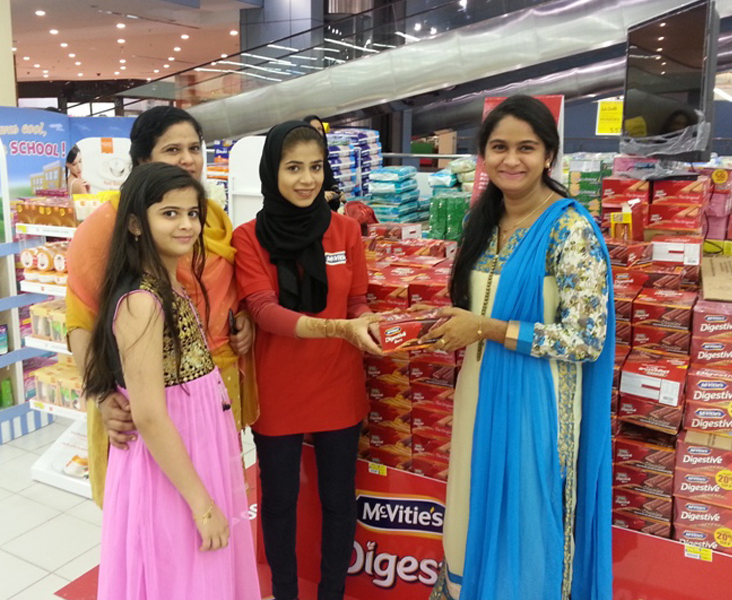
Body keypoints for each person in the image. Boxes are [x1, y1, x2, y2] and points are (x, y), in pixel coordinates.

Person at [422, 95, 614, 599]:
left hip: (537, 405)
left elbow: (586, 339)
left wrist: (486, 328)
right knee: (469, 508)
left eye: (526, 148)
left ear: (548, 154)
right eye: (499, 147)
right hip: (476, 394)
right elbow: (473, 308)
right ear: (483, 155)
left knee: (528, 523)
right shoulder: (482, 222)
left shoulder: (570, 229)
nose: (511, 160)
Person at [83, 162, 260, 600]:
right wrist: (201, 505)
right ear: (135, 225)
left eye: (192, 213)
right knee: (181, 573)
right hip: (168, 465)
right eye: (169, 213)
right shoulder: (142, 301)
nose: (186, 224)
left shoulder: (171, 285)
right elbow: (149, 415)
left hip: (193, 448)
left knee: (200, 570)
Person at [66, 106, 257, 508]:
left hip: (214, 390)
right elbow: (82, 322)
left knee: (218, 499)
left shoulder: (210, 216)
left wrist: (242, 319)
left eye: (194, 148)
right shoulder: (108, 226)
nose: (188, 159)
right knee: (160, 513)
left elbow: (225, 291)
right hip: (147, 402)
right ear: (142, 161)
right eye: (172, 150)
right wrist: (103, 397)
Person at [232, 121, 381, 600]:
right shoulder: (248, 238)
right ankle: (284, 593)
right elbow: (263, 311)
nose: (307, 179)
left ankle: (331, 592)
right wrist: (338, 328)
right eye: (293, 167)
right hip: (278, 388)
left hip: (338, 383)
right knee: (279, 501)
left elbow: (355, 300)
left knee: (338, 500)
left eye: (316, 167)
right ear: (271, 172)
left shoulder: (345, 230)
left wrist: (368, 320)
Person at [303, 115, 344, 211]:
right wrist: (320, 195)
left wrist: (337, 192)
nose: (317, 132)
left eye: (319, 129)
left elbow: (330, 180)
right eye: (313, 129)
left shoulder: (323, 157)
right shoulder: (302, 157)